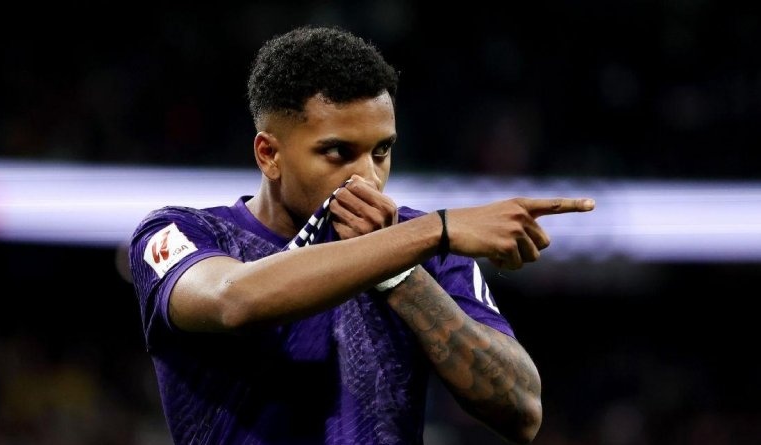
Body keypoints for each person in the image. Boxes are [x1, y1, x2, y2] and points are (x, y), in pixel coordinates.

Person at [128, 25, 594, 445]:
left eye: (381, 151)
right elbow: (233, 300)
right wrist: (435, 229)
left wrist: (402, 276)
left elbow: (522, 411)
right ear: (269, 154)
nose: (368, 178)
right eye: (338, 152)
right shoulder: (179, 232)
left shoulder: (420, 248)